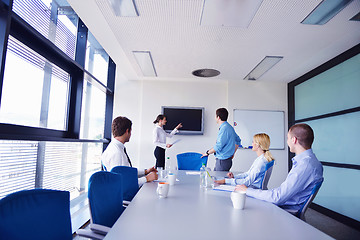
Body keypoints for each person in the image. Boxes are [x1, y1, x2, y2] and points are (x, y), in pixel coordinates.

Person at [235, 123, 323, 212]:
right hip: (284, 204)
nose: (287, 142)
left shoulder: (304, 166)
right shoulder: (311, 161)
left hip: (284, 210)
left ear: (294, 140)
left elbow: (278, 197)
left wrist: (248, 190)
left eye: (288, 138)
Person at [101, 116, 158, 186]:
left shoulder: (115, 148)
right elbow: (123, 183)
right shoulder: (116, 153)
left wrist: (146, 171)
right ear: (127, 131)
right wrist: (146, 178)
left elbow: (126, 172)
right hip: (124, 195)